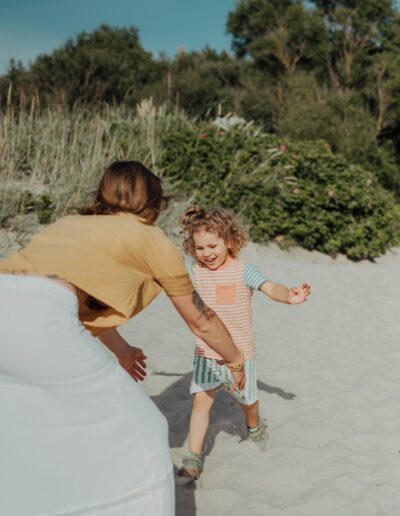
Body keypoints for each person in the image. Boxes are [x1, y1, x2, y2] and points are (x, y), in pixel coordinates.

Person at [0, 161, 245, 516]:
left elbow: (65, 290)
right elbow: (202, 321)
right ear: (153, 202)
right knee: (145, 428)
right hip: (42, 319)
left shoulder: (72, 223)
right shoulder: (148, 236)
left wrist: (122, 349)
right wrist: (236, 359)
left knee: (31, 419)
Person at [177, 206, 311, 482]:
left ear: (228, 240)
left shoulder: (242, 270)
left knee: (248, 402)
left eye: (212, 245)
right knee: (202, 402)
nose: (207, 253)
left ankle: (253, 426)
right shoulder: (194, 270)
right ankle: (193, 457)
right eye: (199, 247)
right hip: (207, 353)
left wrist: (289, 296)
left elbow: (270, 286)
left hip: (241, 353)